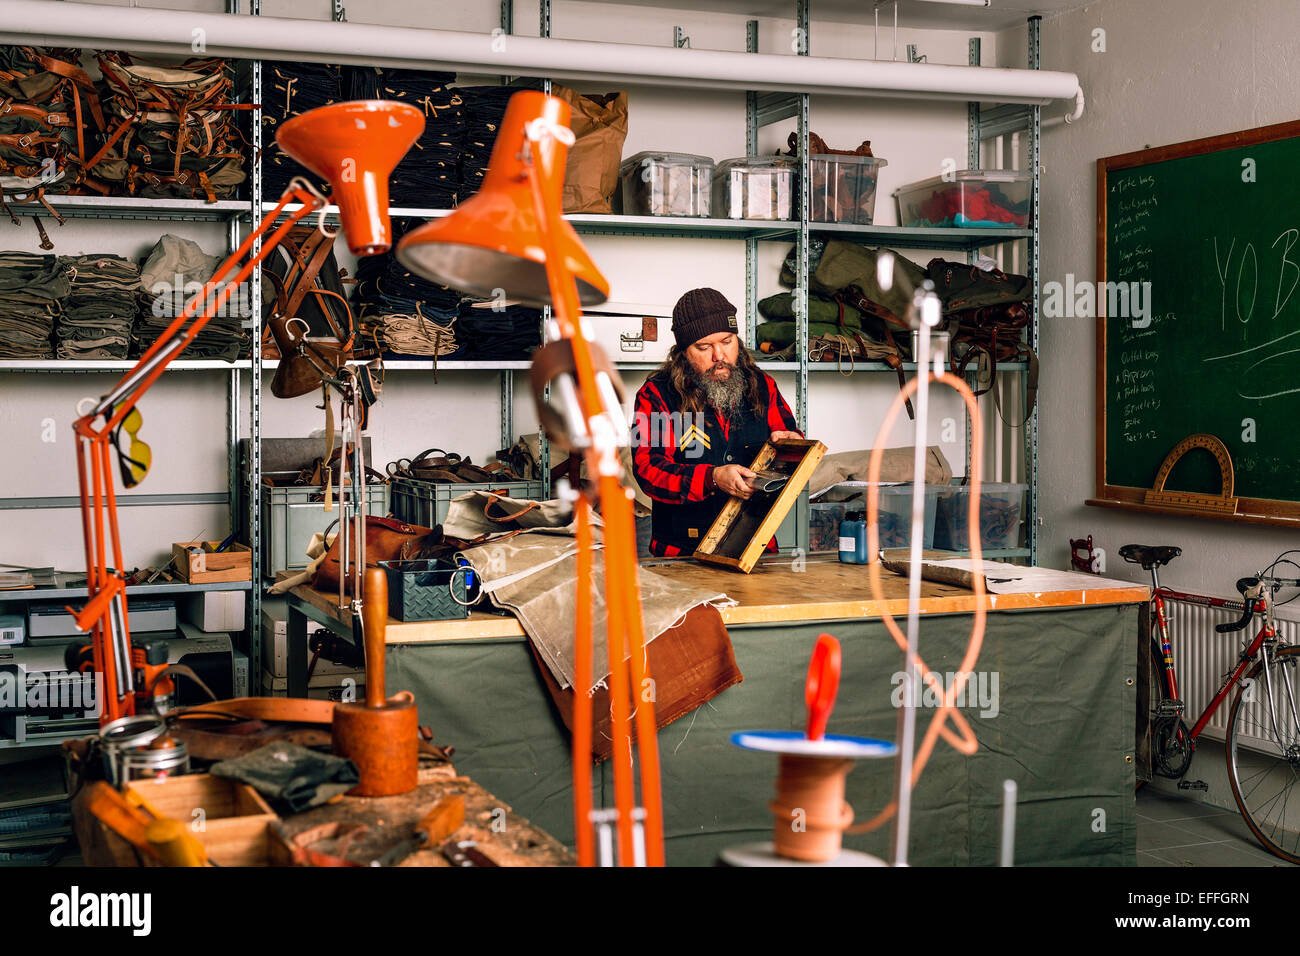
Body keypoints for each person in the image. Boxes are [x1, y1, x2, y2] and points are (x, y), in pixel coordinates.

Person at [632, 287, 802, 557]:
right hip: (681, 555)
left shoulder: (763, 386)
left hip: (755, 549)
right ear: (683, 352)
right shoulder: (656, 395)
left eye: (727, 341)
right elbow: (647, 469)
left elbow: (789, 441)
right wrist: (711, 478)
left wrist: (792, 446)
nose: (719, 356)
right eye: (704, 347)